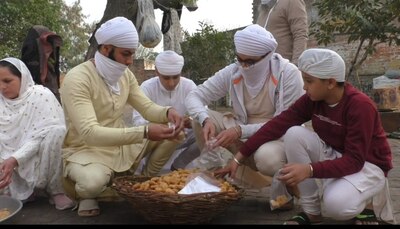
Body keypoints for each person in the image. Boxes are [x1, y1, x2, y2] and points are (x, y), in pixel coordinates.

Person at [216, 48, 396, 225]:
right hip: (336, 153)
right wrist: (238, 158)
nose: (304, 86)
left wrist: (310, 169)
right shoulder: (313, 100)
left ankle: (369, 202)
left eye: (309, 81)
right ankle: (311, 213)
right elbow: (276, 125)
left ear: (331, 83)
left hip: (367, 164)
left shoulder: (360, 106)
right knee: (294, 133)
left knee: (336, 205)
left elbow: (355, 161)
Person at [60, 17, 184, 217]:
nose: (129, 61)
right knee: (91, 183)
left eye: (132, 54)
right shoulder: (78, 78)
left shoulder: (124, 75)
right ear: (106, 49)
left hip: (120, 145)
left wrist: (168, 112)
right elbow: (91, 133)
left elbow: (146, 107)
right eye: (125, 54)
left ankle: (143, 182)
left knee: (175, 134)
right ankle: (88, 195)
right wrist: (144, 132)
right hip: (87, 150)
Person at [186, 24, 304, 191]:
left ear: (267, 56)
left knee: (267, 158)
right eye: (239, 59)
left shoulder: (288, 74)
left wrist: (240, 131)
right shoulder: (235, 70)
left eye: (249, 62)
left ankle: (284, 188)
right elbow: (194, 96)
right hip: (241, 128)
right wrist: (204, 119)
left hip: (277, 137)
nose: (243, 67)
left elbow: (283, 124)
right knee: (199, 119)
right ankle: (215, 180)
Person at [0, 57, 74, 210]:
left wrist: (15, 159)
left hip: (38, 158)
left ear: (23, 77)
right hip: (7, 162)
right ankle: (19, 192)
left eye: (7, 81)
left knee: (57, 132)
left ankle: (56, 190)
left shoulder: (40, 95)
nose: (2, 87)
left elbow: (41, 136)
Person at [132, 50, 200, 171]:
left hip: (182, 140)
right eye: (166, 78)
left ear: (181, 72)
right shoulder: (147, 87)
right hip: (156, 139)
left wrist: (192, 121)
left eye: (175, 77)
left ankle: (180, 163)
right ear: (157, 72)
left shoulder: (189, 86)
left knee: (207, 128)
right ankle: (148, 173)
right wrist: (165, 126)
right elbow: (137, 121)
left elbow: (202, 112)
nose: (171, 83)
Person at [256, 0, 308, 66]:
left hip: (283, 68)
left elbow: (300, 34)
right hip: (263, 68)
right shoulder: (264, 8)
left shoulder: (292, 2)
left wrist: (296, 64)